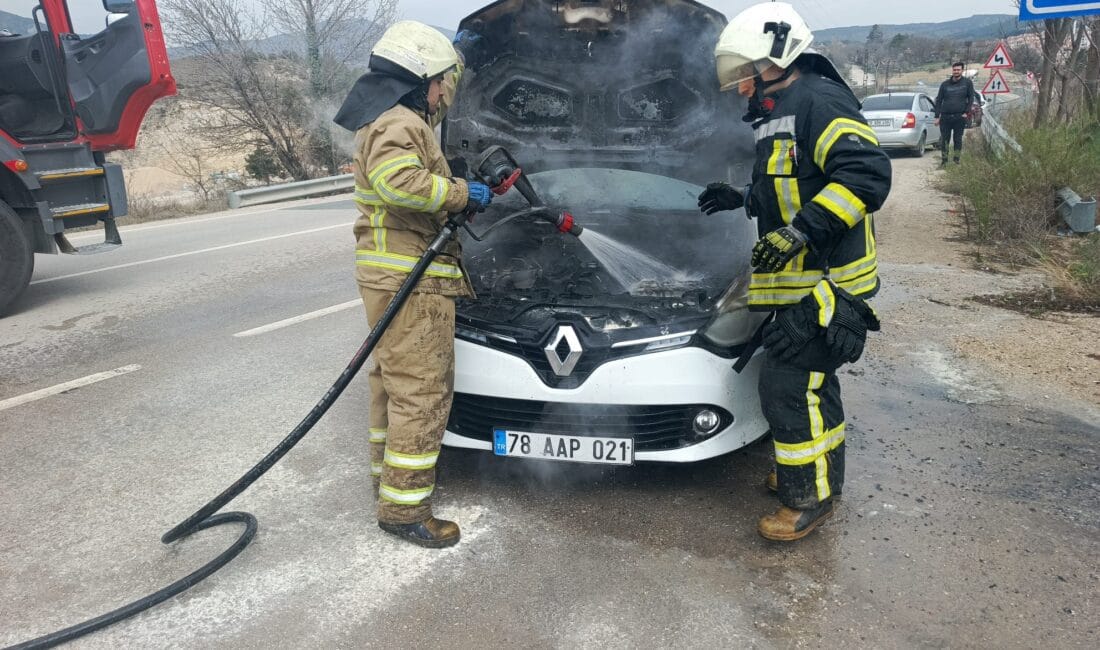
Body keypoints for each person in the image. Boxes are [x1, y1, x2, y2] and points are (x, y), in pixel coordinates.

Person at [697, 2, 891, 541]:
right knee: (809, 384)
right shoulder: (779, 114)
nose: (739, 88)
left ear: (776, 60)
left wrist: (801, 231)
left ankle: (808, 499)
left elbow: (866, 177)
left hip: (831, 286)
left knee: (789, 386)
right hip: (801, 283)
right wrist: (741, 197)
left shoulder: (819, 101)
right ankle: (810, 473)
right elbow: (793, 184)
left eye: (744, 75)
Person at [333, 21, 493, 548]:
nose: (444, 92)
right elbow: (398, 183)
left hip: (393, 274)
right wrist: (460, 191)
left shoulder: (387, 119)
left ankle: (390, 486)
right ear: (423, 77)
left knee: (392, 385)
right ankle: (406, 512)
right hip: (410, 279)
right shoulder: (401, 121)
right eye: (441, 81)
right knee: (422, 392)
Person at [934, 62, 979, 166]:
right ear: (952, 70)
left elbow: (971, 98)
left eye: (958, 70)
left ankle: (956, 160)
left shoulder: (967, 83)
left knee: (957, 139)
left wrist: (966, 112)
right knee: (945, 140)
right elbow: (939, 100)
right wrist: (937, 116)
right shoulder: (944, 84)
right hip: (945, 116)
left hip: (959, 116)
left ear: (962, 70)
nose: (956, 71)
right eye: (954, 70)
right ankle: (944, 161)